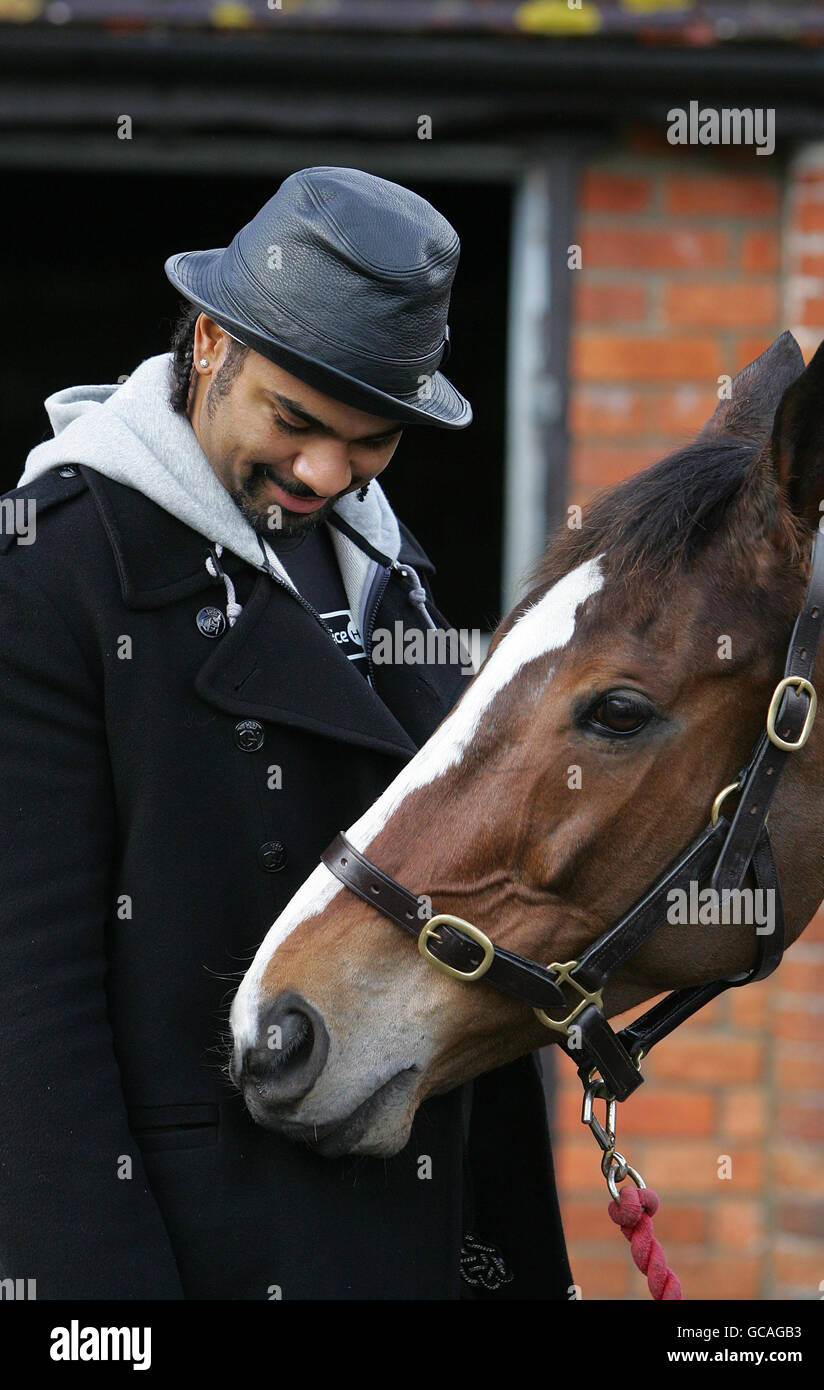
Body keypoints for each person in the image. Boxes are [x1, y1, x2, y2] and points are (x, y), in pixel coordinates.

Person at [0, 167, 571, 1299]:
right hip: (200, 1251)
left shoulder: (397, 579)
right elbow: (28, 1007)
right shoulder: (53, 573)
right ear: (210, 346)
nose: (324, 475)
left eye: (371, 443)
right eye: (297, 422)